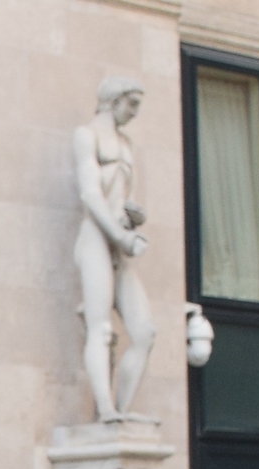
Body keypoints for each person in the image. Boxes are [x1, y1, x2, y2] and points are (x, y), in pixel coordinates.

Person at [72, 76, 157, 423]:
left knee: (144, 332)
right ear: (113, 99)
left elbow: (119, 196)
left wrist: (134, 216)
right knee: (101, 328)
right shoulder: (86, 135)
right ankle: (105, 409)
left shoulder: (126, 143)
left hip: (119, 241)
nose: (135, 112)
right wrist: (121, 238)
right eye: (132, 103)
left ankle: (120, 410)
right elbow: (90, 194)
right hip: (95, 238)